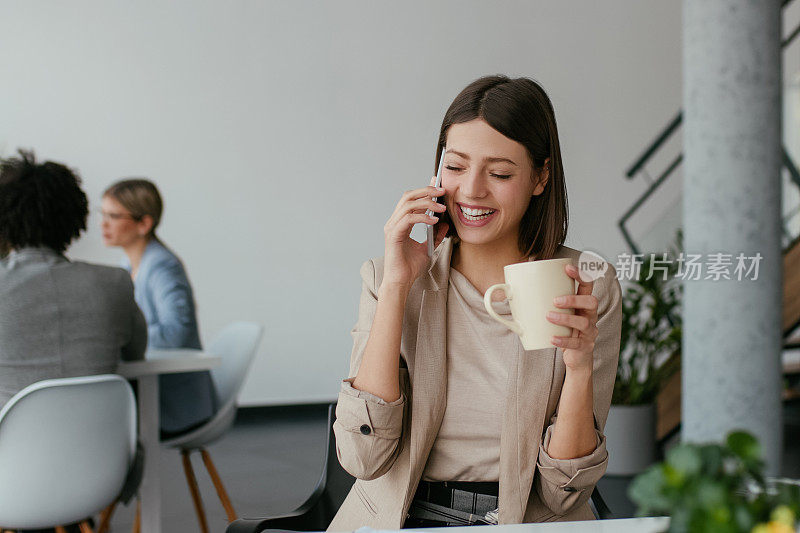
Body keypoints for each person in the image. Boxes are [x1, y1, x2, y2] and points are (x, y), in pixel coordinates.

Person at [329, 76, 623, 530]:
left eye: (500, 173)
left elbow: (564, 494)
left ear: (541, 177)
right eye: (456, 166)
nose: (471, 190)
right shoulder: (388, 276)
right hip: (401, 518)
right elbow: (362, 457)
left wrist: (579, 367)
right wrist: (395, 287)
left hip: (523, 520)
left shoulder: (584, 283)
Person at [0, 150, 146, 410]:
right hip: (103, 447)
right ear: (76, 217)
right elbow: (136, 354)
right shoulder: (115, 283)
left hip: (11, 448)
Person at [101, 178, 217, 437]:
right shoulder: (128, 265)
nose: (103, 224)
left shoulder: (162, 266)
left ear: (144, 224)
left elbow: (176, 332)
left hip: (176, 405)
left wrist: (121, 338)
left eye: (113, 216)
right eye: (103, 214)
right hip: (151, 392)